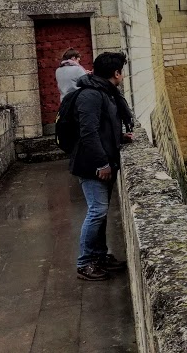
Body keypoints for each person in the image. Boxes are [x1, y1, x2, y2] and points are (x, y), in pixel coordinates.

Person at [69, 51, 134, 281]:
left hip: (101, 161)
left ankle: (100, 255)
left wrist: (119, 137)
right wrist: (102, 163)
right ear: (116, 73)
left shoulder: (104, 91)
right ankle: (85, 263)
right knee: (96, 211)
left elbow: (105, 125)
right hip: (91, 165)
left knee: (101, 212)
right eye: (122, 71)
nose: (123, 75)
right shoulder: (91, 95)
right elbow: (88, 132)